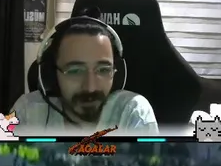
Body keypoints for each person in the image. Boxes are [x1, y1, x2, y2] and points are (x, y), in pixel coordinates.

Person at [10, 14, 158, 135]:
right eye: (75, 71)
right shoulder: (27, 112)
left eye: (103, 70)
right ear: (52, 75)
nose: (90, 87)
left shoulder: (132, 113)